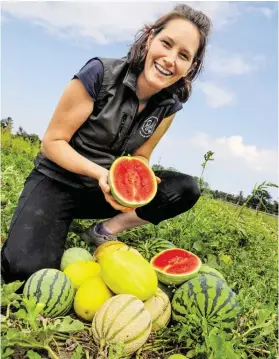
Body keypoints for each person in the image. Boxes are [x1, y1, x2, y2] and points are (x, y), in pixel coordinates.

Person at [1, 4, 212, 283]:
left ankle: (105, 231)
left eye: (184, 55)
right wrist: (102, 174)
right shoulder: (100, 73)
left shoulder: (168, 107)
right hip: (57, 180)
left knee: (184, 188)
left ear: (190, 67)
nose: (170, 59)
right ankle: (52, 217)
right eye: (166, 43)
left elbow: (141, 156)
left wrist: (137, 178)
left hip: (105, 192)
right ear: (150, 39)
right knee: (22, 271)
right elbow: (52, 143)